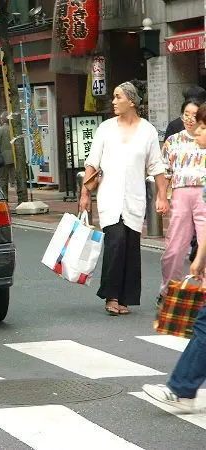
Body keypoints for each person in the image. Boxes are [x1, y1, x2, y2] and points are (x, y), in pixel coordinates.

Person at [79, 82, 168, 315]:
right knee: (115, 243)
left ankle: (125, 298)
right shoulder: (106, 129)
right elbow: (92, 162)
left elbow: (156, 166)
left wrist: (162, 195)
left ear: (131, 101)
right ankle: (111, 296)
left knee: (131, 248)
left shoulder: (147, 130)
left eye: (118, 97)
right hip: (109, 197)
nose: (114, 101)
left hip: (135, 199)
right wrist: (84, 195)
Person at [142, 111, 206, 411]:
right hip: (181, 195)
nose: (197, 130)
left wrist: (200, 258)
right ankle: (182, 389)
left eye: (203, 125)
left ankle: (181, 390)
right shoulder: (174, 142)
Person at [159, 99, 206, 299]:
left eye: (193, 115)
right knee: (174, 248)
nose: (189, 118)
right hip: (180, 194)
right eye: (185, 113)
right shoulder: (173, 141)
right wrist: (162, 197)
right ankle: (169, 291)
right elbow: (164, 172)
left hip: (203, 195)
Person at [0, 110, 25, 202]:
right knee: (16, 178)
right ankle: (21, 198)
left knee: (3, 180)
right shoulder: (15, 130)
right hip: (14, 157)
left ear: (2, 119)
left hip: (2, 158)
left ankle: (4, 199)